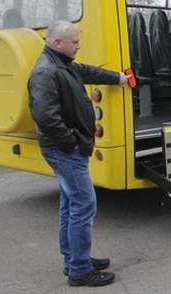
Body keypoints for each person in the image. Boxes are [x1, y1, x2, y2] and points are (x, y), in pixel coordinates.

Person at [27, 21, 128, 287]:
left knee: (70, 204)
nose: (78, 46)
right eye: (74, 42)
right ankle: (80, 270)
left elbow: (84, 71)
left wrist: (116, 78)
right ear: (57, 43)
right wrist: (71, 142)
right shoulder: (45, 72)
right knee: (84, 204)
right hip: (63, 149)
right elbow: (46, 117)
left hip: (67, 148)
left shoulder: (62, 64)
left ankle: (74, 259)